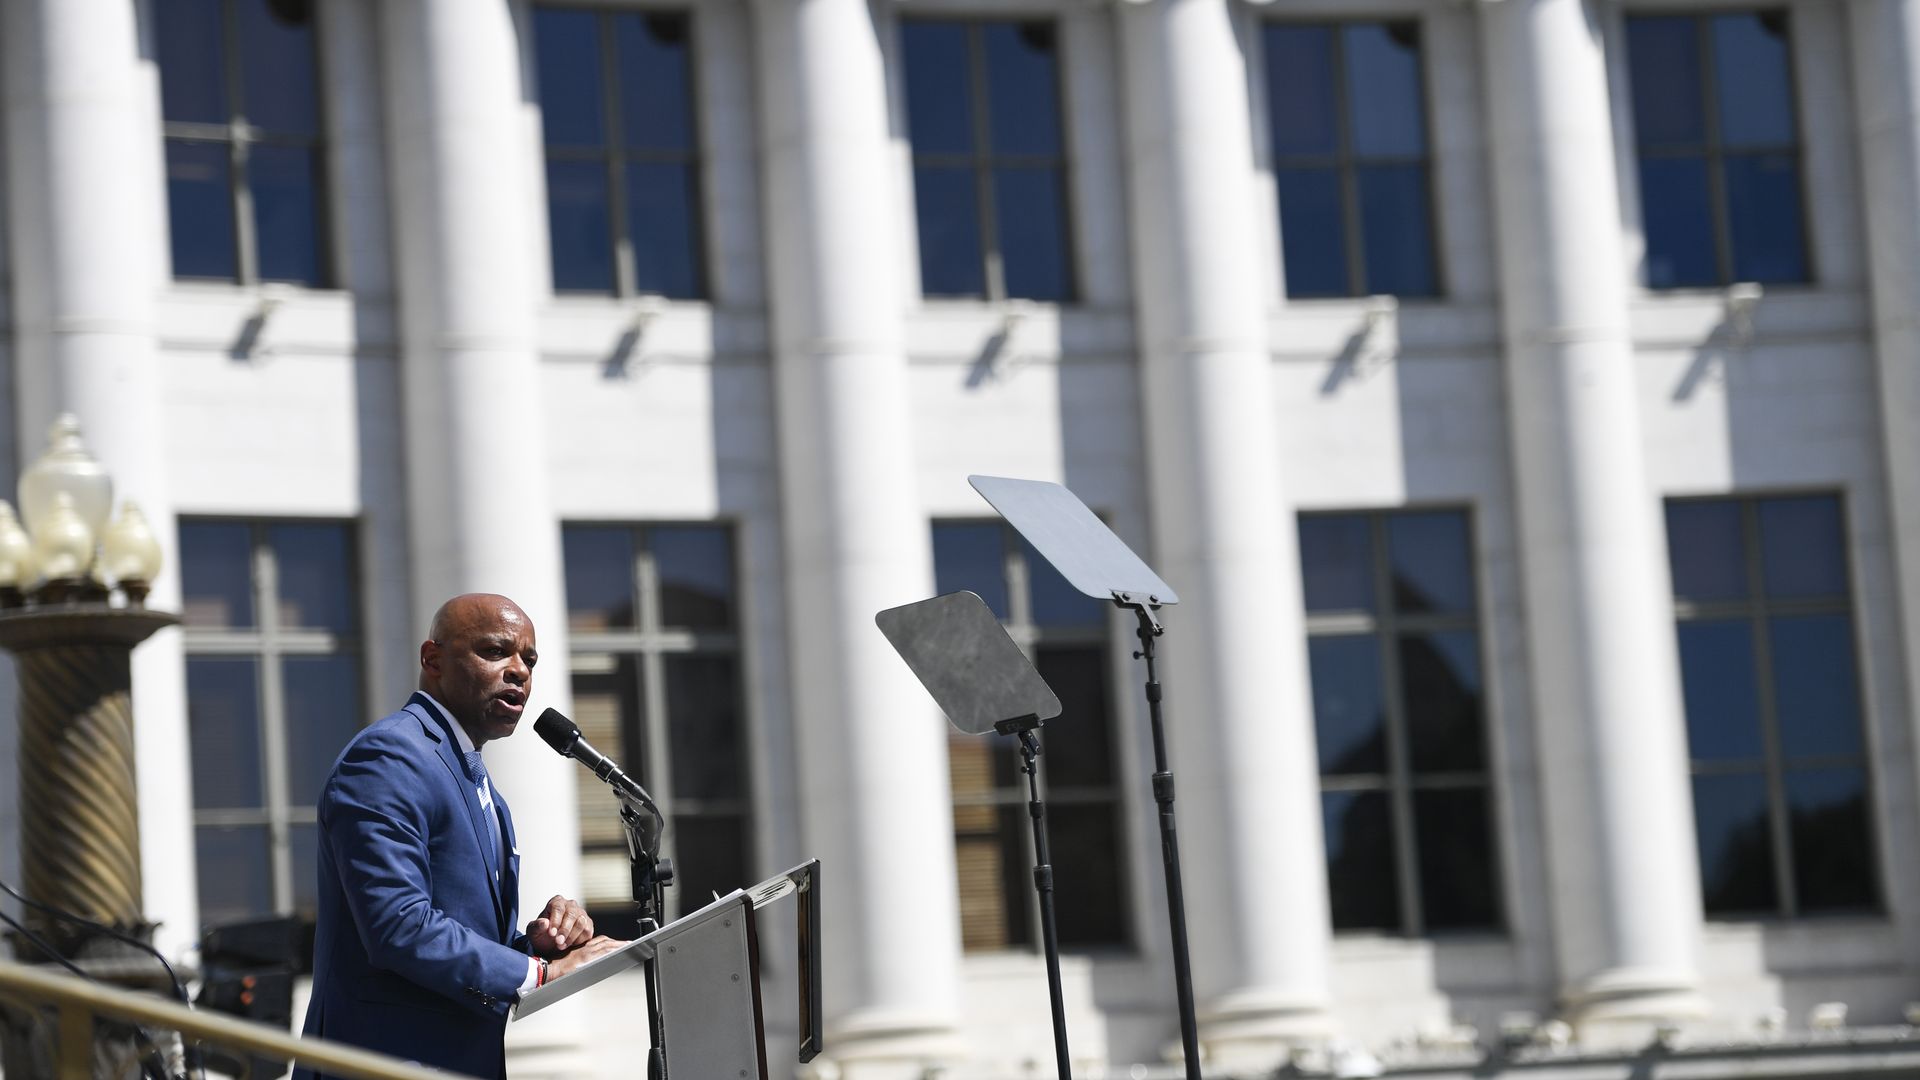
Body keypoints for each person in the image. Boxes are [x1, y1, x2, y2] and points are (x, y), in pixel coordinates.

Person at [295, 593, 623, 1079]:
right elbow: (399, 925)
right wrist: (537, 975)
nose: (519, 671)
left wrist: (537, 945)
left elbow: (457, 933)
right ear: (433, 660)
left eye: (529, 660)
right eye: (495, 652)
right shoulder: (390, 757)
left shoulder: (476, 778)